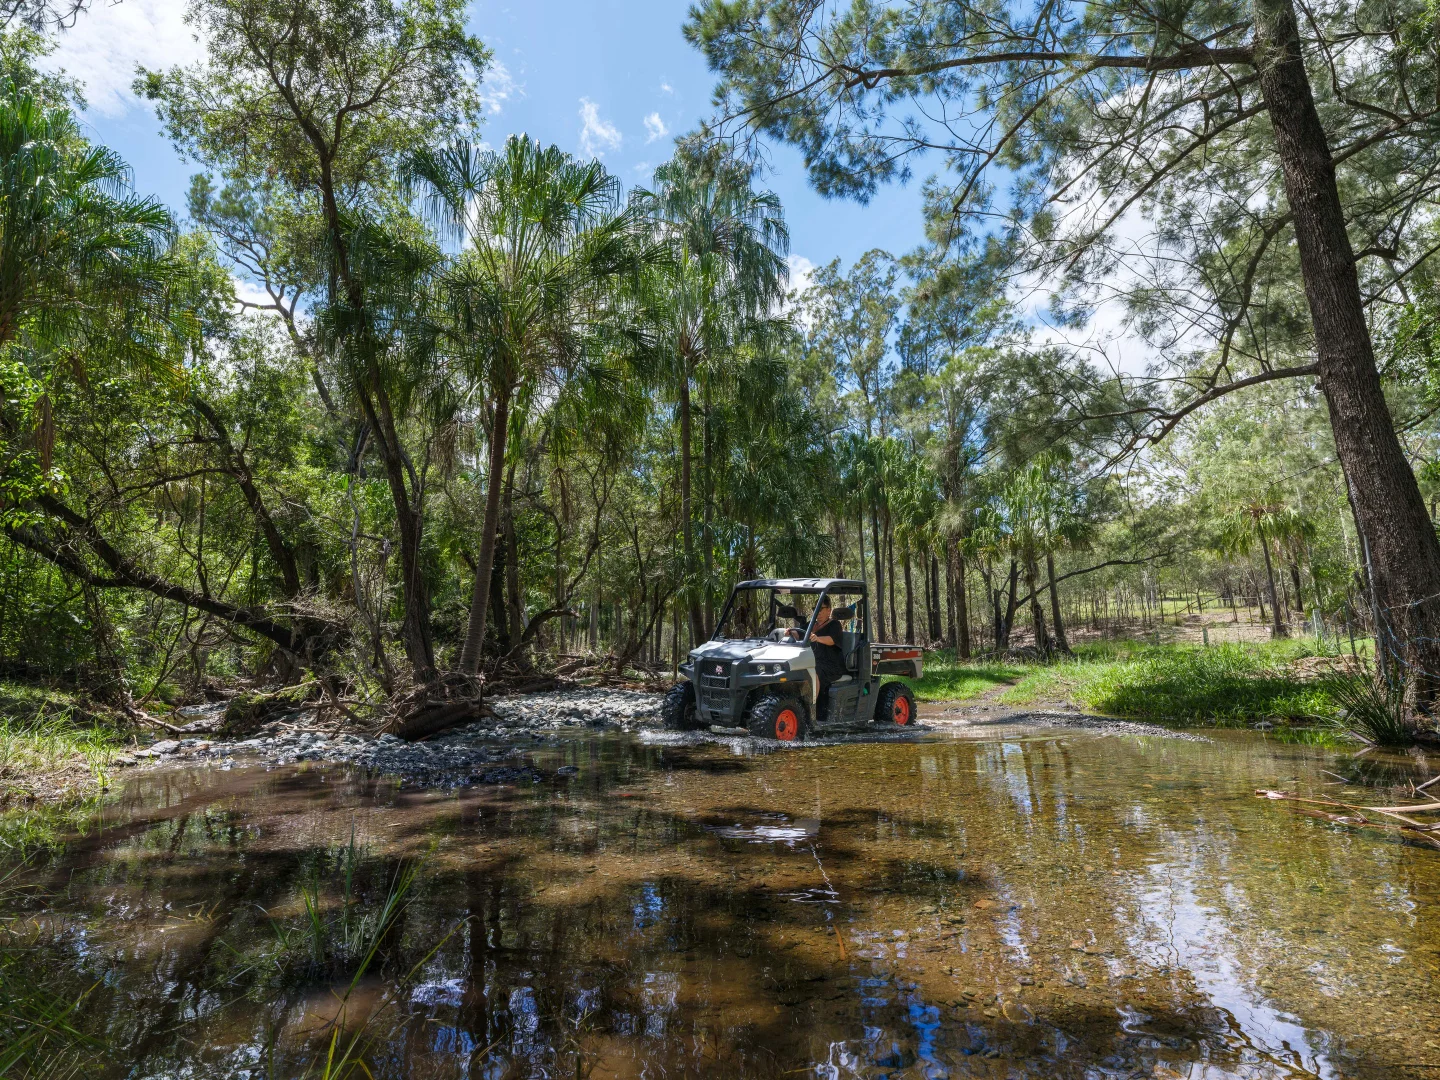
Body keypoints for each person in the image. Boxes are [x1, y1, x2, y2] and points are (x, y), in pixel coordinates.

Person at [789, 596, 847, 723]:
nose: (818, 612)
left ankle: (811, 710)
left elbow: (833, 640)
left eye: (821, 609)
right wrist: (791, 632)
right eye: (815, 609)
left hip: (831, 664)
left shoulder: (834, 624)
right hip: (813, 660)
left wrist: (818, 638)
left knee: (814, 672)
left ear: (829, 610)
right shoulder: (811, 624)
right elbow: (799, 633)